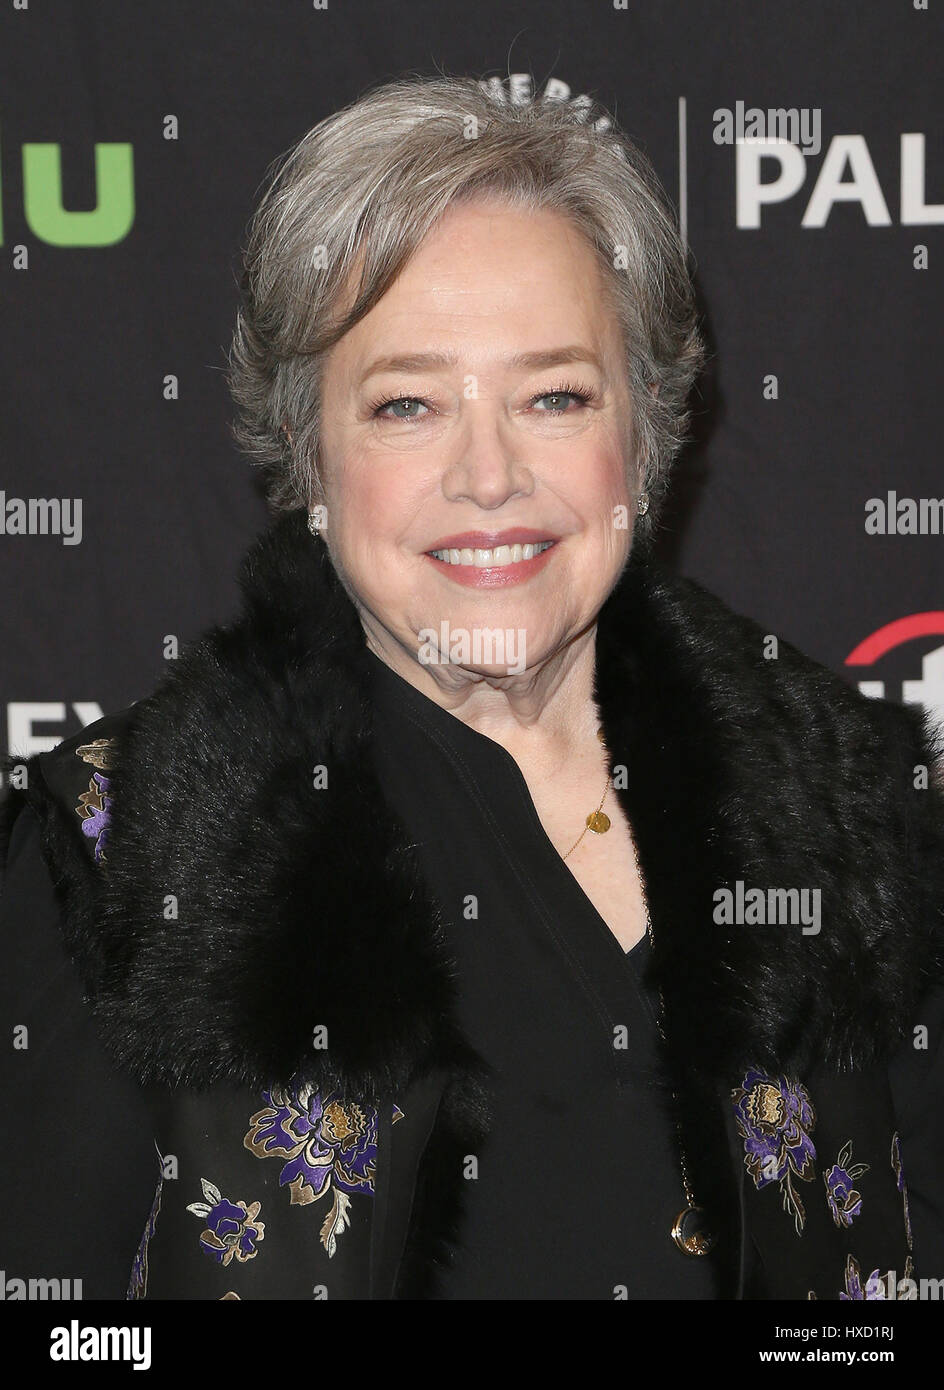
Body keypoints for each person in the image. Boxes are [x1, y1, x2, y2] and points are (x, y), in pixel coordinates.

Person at [2, 72, 943, 1302]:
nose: (488, 474)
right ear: (312, 458)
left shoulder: (849, 804)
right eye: (406, 404)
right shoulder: (118, 852)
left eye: (553, 395)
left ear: (644, 432)